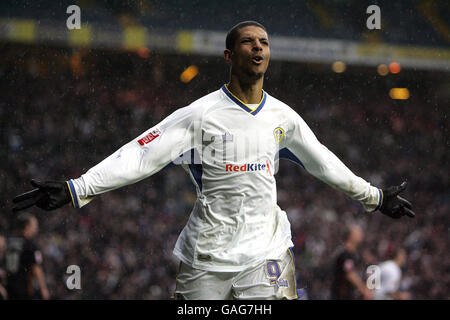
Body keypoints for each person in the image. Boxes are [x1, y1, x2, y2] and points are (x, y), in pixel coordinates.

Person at [12, 21, 415, 300]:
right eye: (248, 42)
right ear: (228, 54)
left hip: (266, 253)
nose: (258, 47)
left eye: (264, 42)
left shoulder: (283, 118)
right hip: (207, 257)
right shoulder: (199, 114)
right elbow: (141, 153)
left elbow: (324, 162)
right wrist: (77, 188)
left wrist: (374, 197)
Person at [4, 213, 50, 300]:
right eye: (34, 225)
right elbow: (36, 267)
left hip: (9, 286)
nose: (36, 228)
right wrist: (43, 288)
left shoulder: (9, 241)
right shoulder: (30, 244)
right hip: (24, 287)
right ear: (27, 226)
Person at [330, 225, 373, 300]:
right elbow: (349, 274)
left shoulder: (355, 254)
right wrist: (364, 289)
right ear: (350, 236)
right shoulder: (345, 254)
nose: (361, 235)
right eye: (358, 233)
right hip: (341, 295)